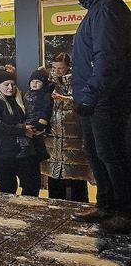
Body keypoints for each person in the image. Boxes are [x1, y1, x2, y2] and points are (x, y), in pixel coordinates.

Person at [69, 0, 131, 232]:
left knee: (111, 153)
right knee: (96, 151)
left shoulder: (107, 10)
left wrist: (91, 94)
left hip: (106, 98)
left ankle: (125, 211)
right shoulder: (98, 10)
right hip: (94, 98)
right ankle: (106, 204)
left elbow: (108, 58)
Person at [0, 71, 41, 196]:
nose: (10, 87)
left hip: (18, 150)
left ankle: (25, 210)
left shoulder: (15, 101)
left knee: (31, 184)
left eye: (13, 84)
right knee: (7, 188)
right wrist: (22, 129)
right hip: (0, 152)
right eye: (7, 84)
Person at [43, 53, 92, 202]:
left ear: (68, 67)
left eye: (61, 68)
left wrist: (66, 99)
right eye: (54, 68)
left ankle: (79, 205)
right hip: (52, 137)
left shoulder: (78, 82)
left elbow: (84, 103)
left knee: (76, 176)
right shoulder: (47, 83)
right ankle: (55, 208)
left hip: (74, 138)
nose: (57, 71)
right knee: (55, 177)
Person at [17, 69, 53, 160]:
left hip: (37, 121)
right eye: (32, 81)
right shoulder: (27, 94)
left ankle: (34, 152)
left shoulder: (45, 95)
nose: (34, 83)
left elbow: (46, 110)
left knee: (32, 137)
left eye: (38, 82)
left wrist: (42, 123)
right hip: (27, 120)